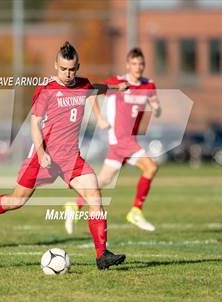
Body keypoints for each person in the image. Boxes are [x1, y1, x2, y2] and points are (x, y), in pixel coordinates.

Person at [0, 41, 126, 269]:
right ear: (55, 66)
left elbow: (96, 87)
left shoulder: (82, 84)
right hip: (44, 157)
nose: (68, 74)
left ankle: (102, 255)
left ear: (78, 67)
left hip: (70, 159)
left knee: (94, 194)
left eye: (73, 69)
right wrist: (40, 153)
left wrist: (118, 89)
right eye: (64, 69)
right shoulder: (46, 90)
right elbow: (35, 124)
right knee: (17, 201)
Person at [65, 47, 161, 234]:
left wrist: (156, 107)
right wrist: (99, 118)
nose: (138, 67)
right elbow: (91, 92)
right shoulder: (118, 82)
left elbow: (155, 103)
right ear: (127, 64)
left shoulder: (148, 85)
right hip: (120, 139)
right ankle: (135, 211)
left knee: (103, 180)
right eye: (134, 63)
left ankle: (74, 207)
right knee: (150, 167)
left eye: (141, 64)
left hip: (127, 140)